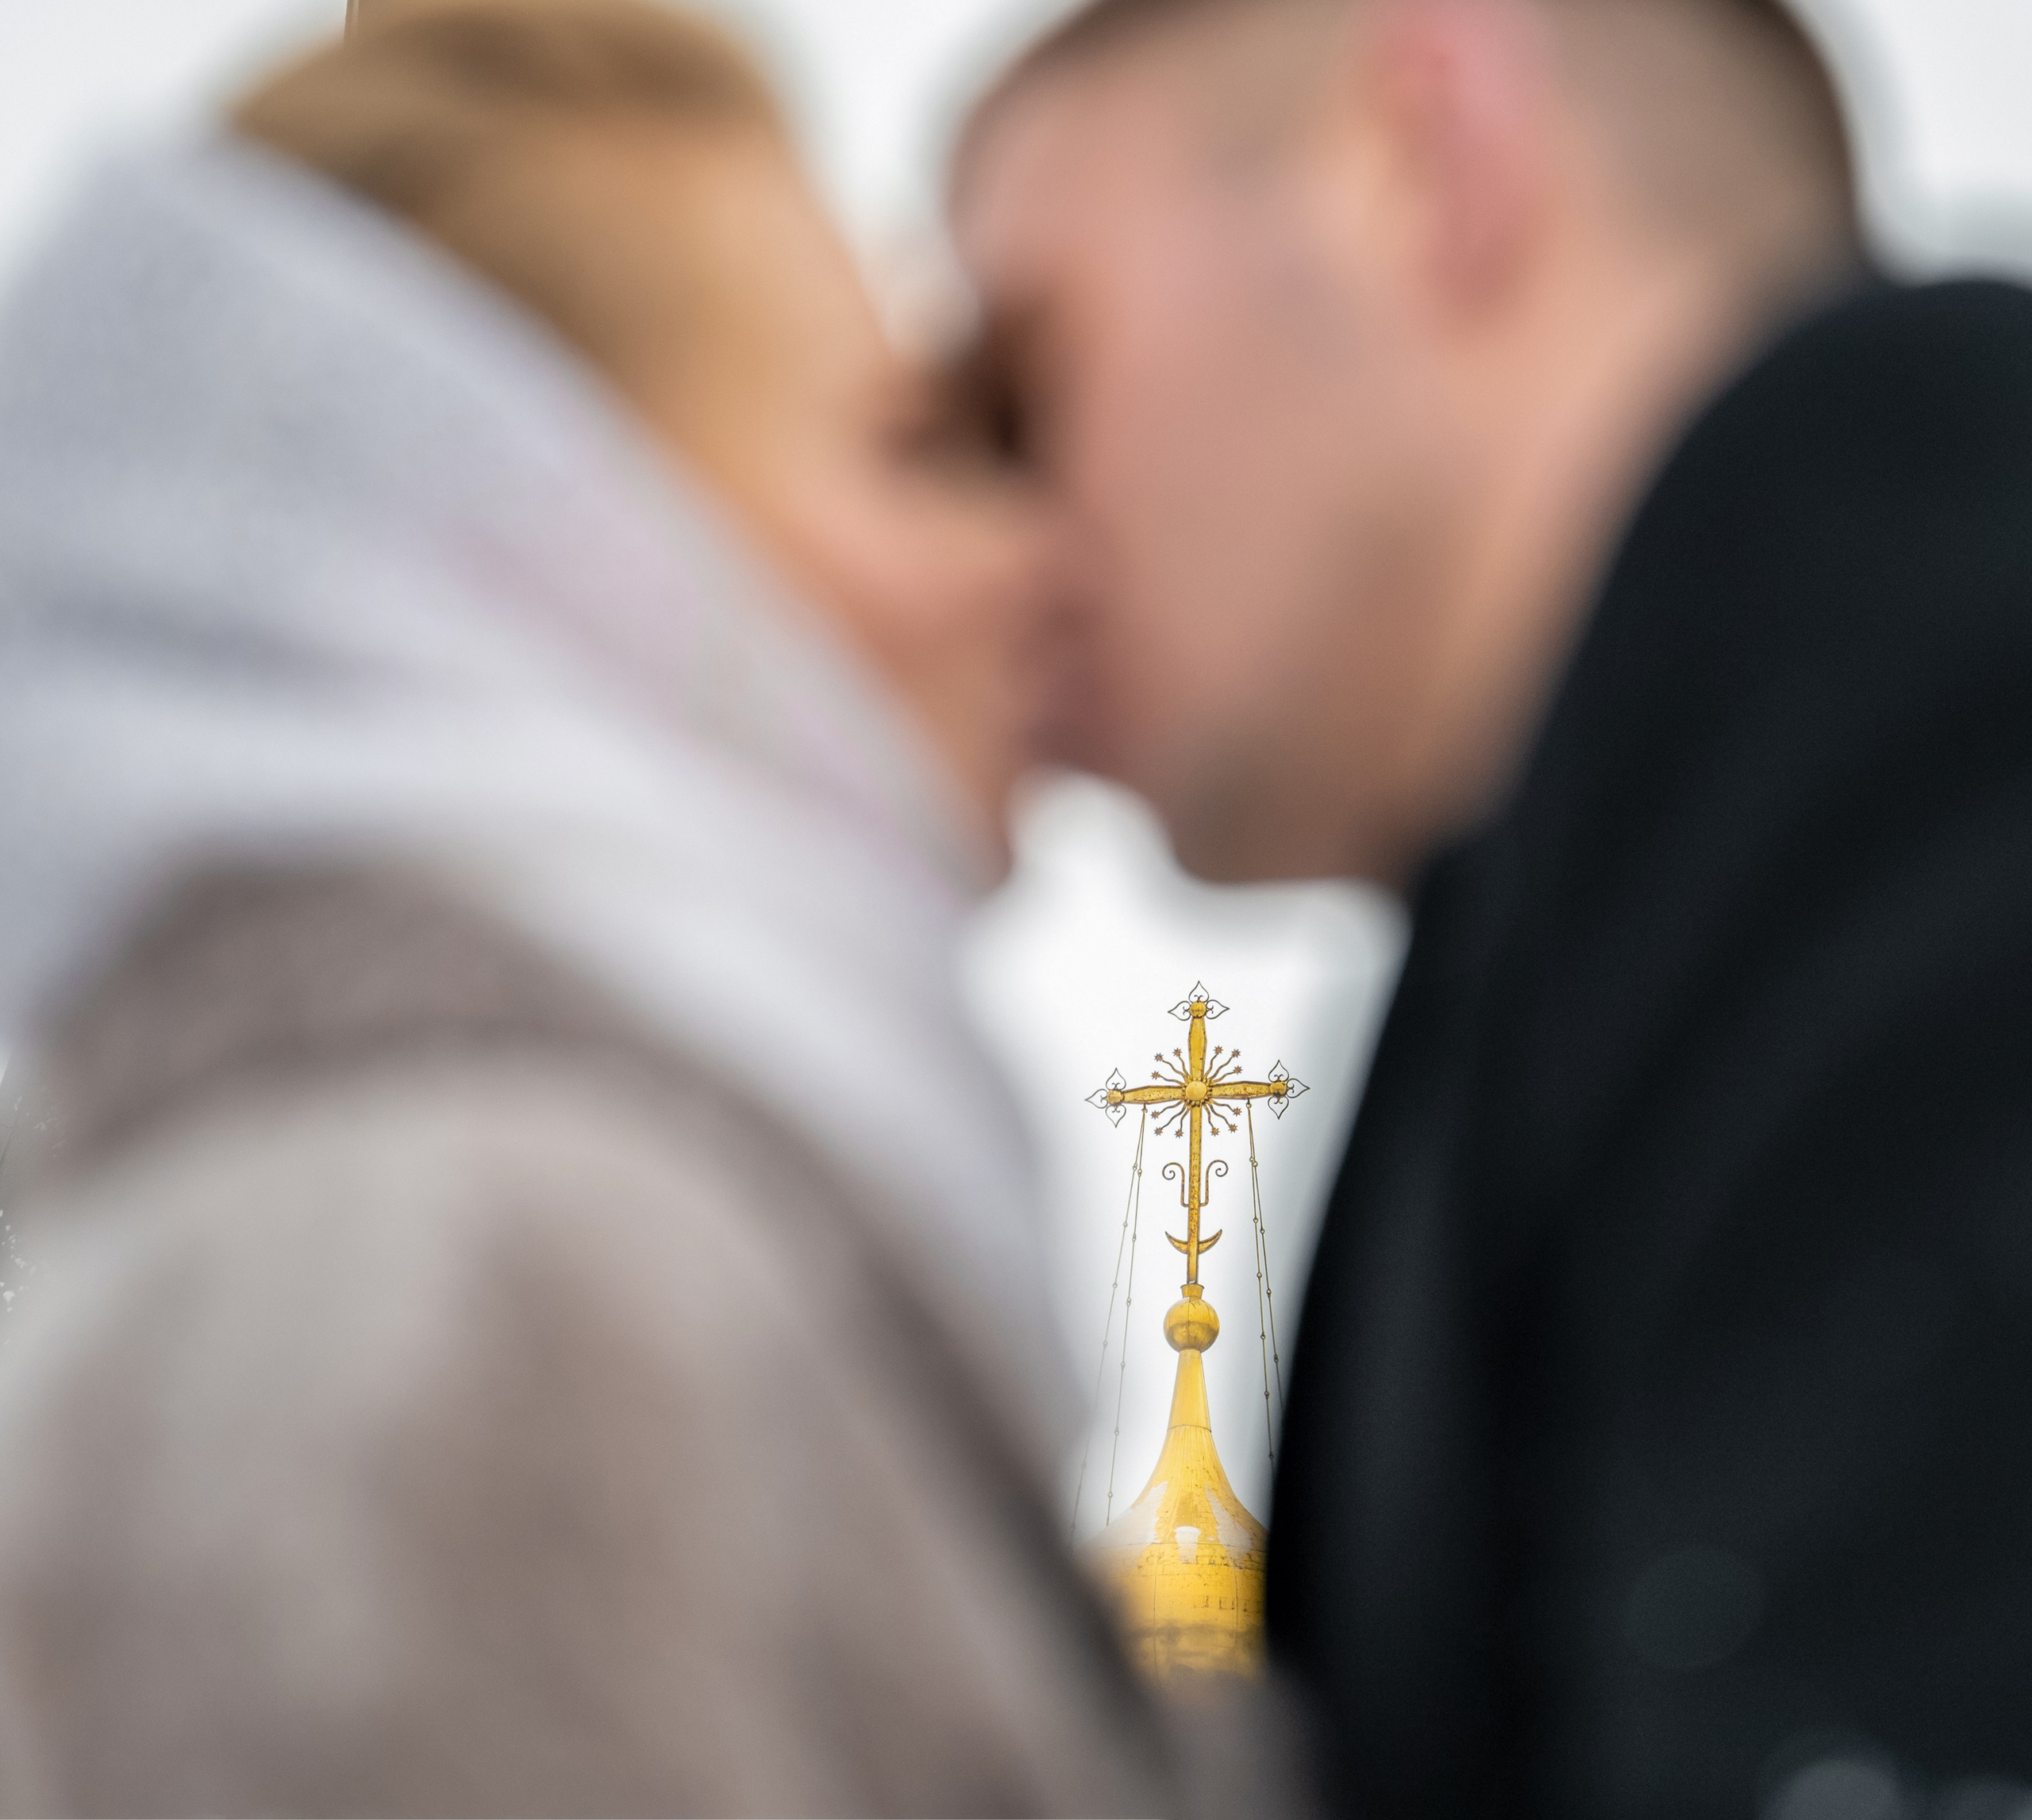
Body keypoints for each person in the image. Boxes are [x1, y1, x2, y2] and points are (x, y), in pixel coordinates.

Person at [0, 2, 1176, 1813]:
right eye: (907, 445)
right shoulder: (491, 1262)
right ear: (557, 545)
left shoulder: (453, 1196)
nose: (1029, 556)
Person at [956, 0, 2032, 1813]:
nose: (1002, 544)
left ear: (1425, 162)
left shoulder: (1911, 574)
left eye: (1017, 381)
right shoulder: (1571, 919)